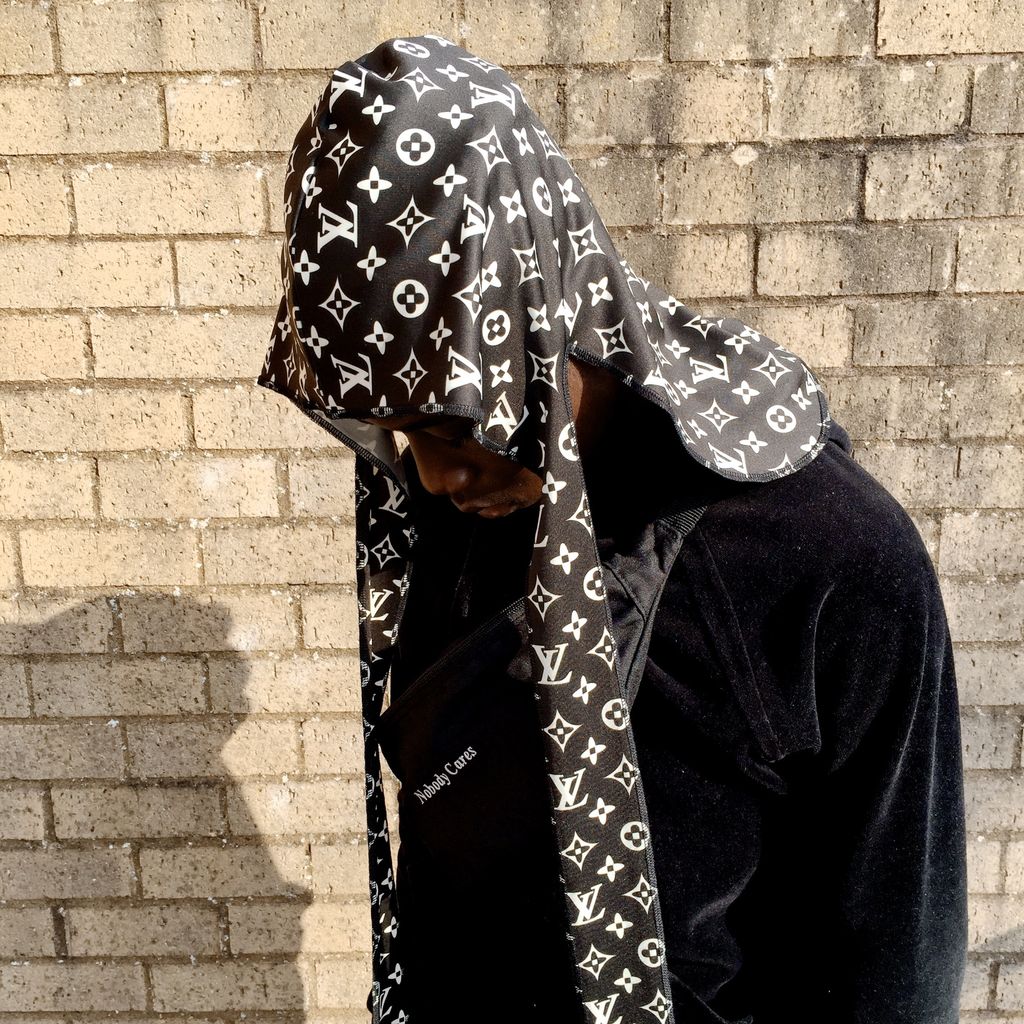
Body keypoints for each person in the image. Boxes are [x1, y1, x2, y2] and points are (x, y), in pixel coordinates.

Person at [257, 34, 968, 1024]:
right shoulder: (463, 501)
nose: (431, 473)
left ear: (543, 304)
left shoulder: (830, 559)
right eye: (395, 430)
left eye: (449, 423)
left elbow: (897, 965)